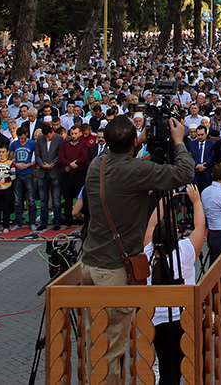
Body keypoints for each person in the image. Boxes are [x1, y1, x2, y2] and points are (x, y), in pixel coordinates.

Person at [80, 114, 195, 375]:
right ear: (134, 142)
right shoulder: (135, 171)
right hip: (113, 270)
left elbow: (123, 159)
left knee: (95, 340)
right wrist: (178, 142)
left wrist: (136, 139)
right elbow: (184, 173)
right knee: (112, 346)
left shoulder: (97, 164)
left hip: (90, 263)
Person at [143, 185, 205, 385]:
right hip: (185, 320)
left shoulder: (148, 253)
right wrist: (195, 201)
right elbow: (199, 227)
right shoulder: (185, 251)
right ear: (176, 235)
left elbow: (151, 226)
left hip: (158, 323)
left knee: (168, 374)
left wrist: (163, 201)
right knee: (195, 368)